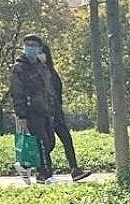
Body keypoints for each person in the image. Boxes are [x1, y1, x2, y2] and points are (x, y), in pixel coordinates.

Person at [10, 34, 57, 184]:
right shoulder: (19, 68)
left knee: (50, 142)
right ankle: (45, 175)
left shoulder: (41, 66)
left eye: (34, 45)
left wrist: (52, 107)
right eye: (27, 45)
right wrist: (21, 115)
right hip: (31, 112)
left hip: (45, 110)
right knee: (41, 142)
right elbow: (17, 93)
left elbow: (49, 88)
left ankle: (24, 165)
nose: (30, 48)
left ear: (39, 49)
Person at [41, 43, 91, 182]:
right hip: (44, 114)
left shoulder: (52, 72)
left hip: (56, 112)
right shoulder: (35, 74)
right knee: (48, 144)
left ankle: (75, 169)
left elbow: (57, 93)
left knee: (67, 140)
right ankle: (43, 171)